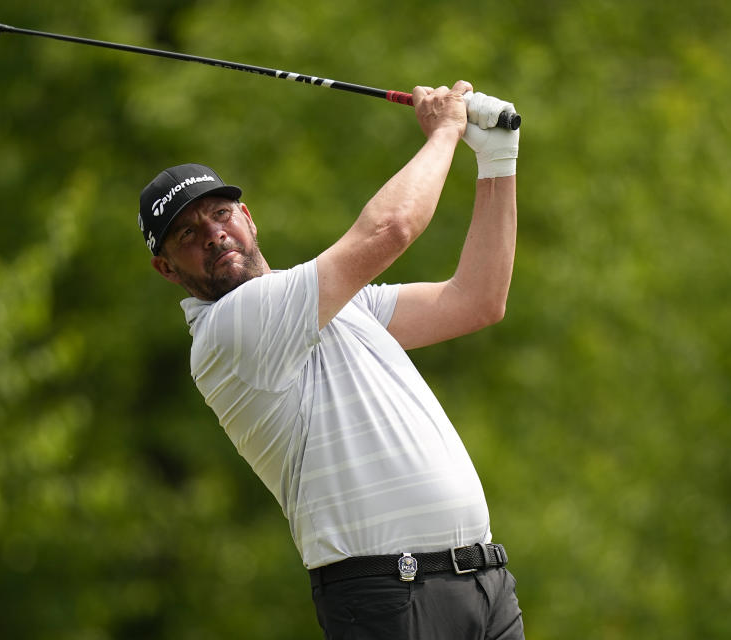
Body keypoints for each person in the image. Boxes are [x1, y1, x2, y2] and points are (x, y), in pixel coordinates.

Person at [138, 80, 523, 639]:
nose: (214, 235)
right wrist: (444, 133)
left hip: (483, 583)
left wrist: (497, 160)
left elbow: (478, 300)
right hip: (391, 596)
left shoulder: (342, 306)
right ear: (167, 269)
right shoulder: (229, 329)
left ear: (248, 217)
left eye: (221, 214)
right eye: (187, 234)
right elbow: (390, 229)